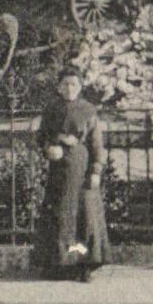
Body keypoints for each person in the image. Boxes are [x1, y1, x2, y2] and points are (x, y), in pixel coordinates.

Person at [34, 65, 109, 282]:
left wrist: (96, 171)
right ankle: (59, 265)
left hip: (81, 167)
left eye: (73, 84)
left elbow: (96, 145)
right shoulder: (51, 109)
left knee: (82, 216)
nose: (69, 88)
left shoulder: (88, 110)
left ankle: (82, 265)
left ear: (80, 86)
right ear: (58, 86)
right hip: (58, 170)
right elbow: (41, 137)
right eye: (65, 84)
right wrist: (48, 147)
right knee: (60, 216)